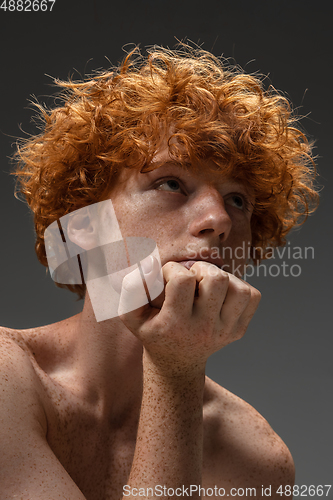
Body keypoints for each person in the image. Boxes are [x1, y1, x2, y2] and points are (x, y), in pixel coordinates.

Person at [0, 45, 319, 499]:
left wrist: (178, 371)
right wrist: (175, 371)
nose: (219, 220)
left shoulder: (254, 461)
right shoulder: (5, 378)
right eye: (170, 183)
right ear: (86, 229)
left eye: (238, 200)